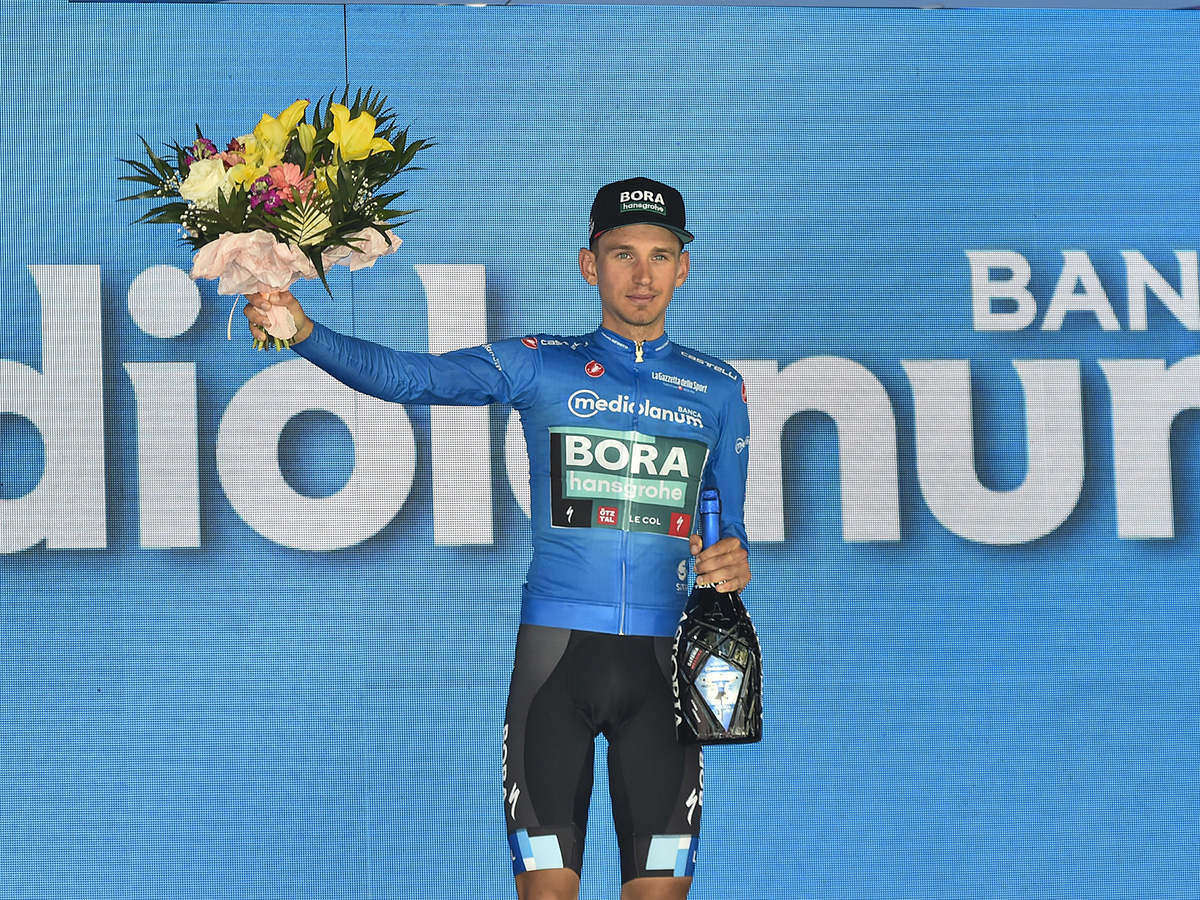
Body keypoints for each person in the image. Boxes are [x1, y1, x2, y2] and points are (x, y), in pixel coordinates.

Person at [243, 177, 751, 900]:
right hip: (555, 663)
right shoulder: (541, 362)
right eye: (623, 254)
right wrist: (303, 331)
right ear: (589, 264)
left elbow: (728, 532)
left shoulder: (719, 389)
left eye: (660, 256)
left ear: (683, 268)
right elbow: (411, 378)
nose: (643, 275)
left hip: (665, 667)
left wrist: (731, 560)